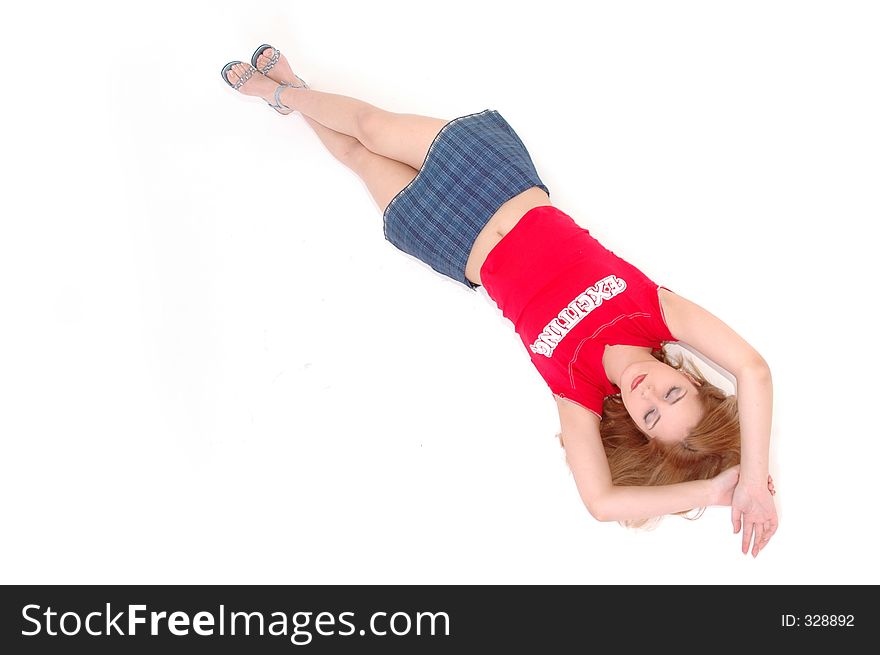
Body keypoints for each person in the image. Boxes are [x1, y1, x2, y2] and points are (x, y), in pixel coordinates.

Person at [221, 45, 778, 557]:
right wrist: (753, 479)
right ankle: (280, 91)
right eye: (673, 390)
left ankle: (289, 89)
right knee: (371, 125)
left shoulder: (577, 391)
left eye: (651, 415)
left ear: (636, 425)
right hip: (495, 178)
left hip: (446, 235)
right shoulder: (658, 313)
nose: (648, 393)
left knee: (358, 158)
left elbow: (601, 503)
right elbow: (753, 369)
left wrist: (714, 492)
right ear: (687, 373)